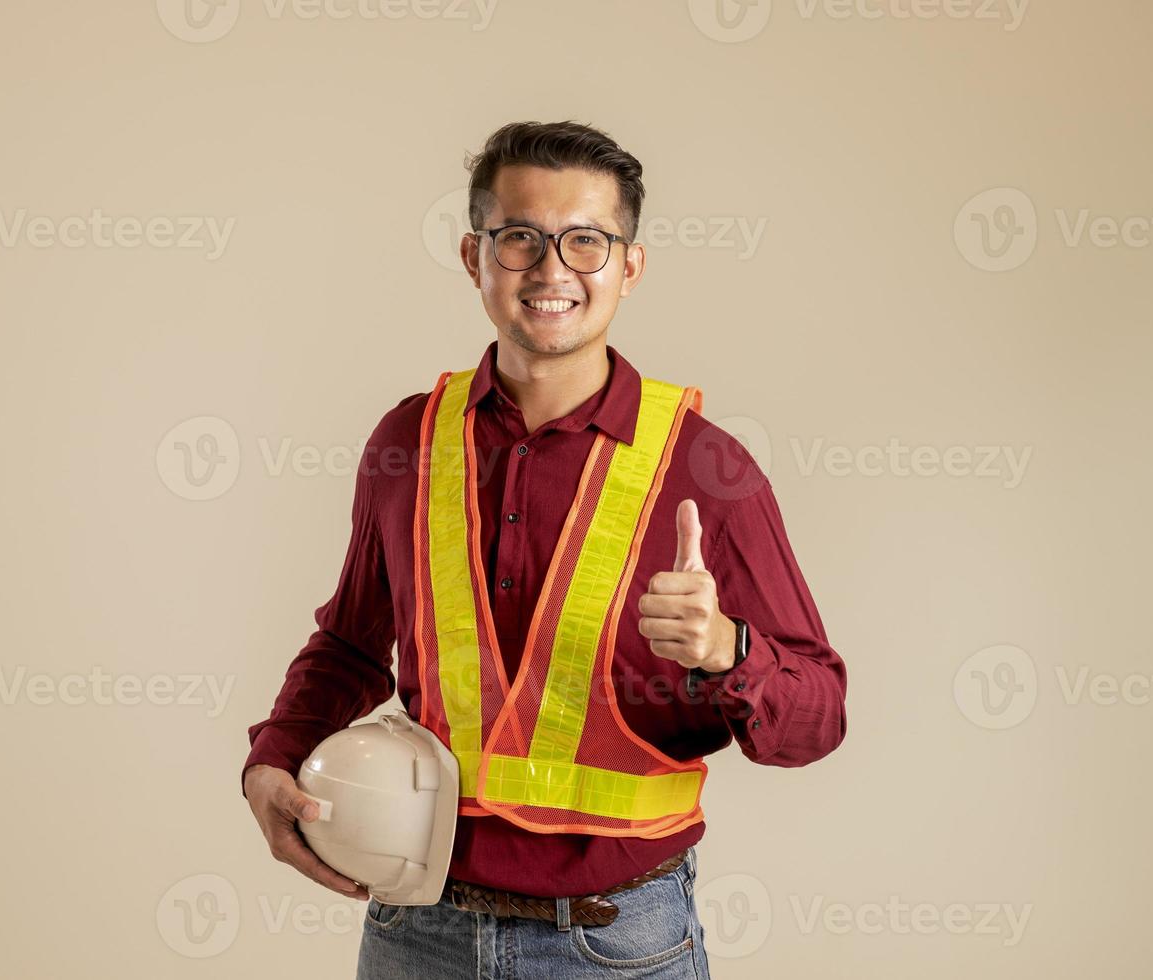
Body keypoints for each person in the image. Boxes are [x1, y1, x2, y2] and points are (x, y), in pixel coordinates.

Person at [243, 120, 848, 979]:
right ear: (473, 256)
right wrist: (268, 759)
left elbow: (817, 717)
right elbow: (349, 644)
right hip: (417, 931)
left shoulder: (704, 467)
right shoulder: (408, 441)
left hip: (618, 944)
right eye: (520, 238)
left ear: (629, 266)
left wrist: (727, 651)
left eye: (586, 242)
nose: (552, 270)